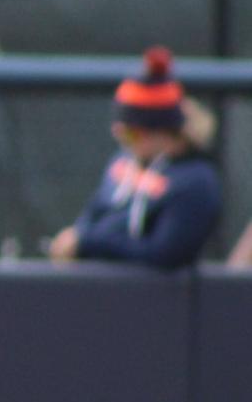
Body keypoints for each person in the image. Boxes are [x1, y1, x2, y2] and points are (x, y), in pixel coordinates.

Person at [47, 46, 221, 270]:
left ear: (162, 131)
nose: (125, 142)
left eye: (131, 133)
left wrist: (90, 242)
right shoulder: (123, 162)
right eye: (120, 133)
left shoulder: (196, 182)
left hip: (154, 300)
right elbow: (95, 213)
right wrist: (77, 238)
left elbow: (163, 255)